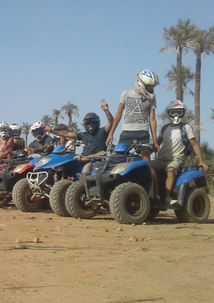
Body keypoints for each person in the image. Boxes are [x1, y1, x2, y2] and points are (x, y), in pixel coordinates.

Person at [106, 69, 161, 200]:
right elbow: (118, 115)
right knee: (117, 161)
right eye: (149, 86)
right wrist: (111, 134)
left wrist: (155, 140)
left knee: (147, 163)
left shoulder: (152, 99)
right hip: (126, 134)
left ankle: (156, 194)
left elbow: (152, 120)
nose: (151, 89)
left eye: (152, 87)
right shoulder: (126, 94)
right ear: (141, 83)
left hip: (143, 134)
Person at [152, 100, 208, 205]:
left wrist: (201, 161)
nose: (176, 115)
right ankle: (154, 195)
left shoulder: (186, 128)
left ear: (183, 113)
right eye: (173, 112)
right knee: (147, 167)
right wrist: (148, 149)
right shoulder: (164, 128)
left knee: (171, 170)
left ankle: (168, 197)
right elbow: (157, 143)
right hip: (161, 158)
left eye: (179, 112)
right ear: (168, 113)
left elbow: (195, 144)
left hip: (177, 158)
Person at [46, 100, 113, 161]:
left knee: (100, 153)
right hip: (82, 159)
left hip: (97, 161)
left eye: (93, 123)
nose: (91, 125)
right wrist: (51, 131)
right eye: (88, 123)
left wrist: (106, 111)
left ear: (97, 123)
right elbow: (66, 134)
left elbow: (111, 122)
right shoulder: (83, 135)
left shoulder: (102, 131)